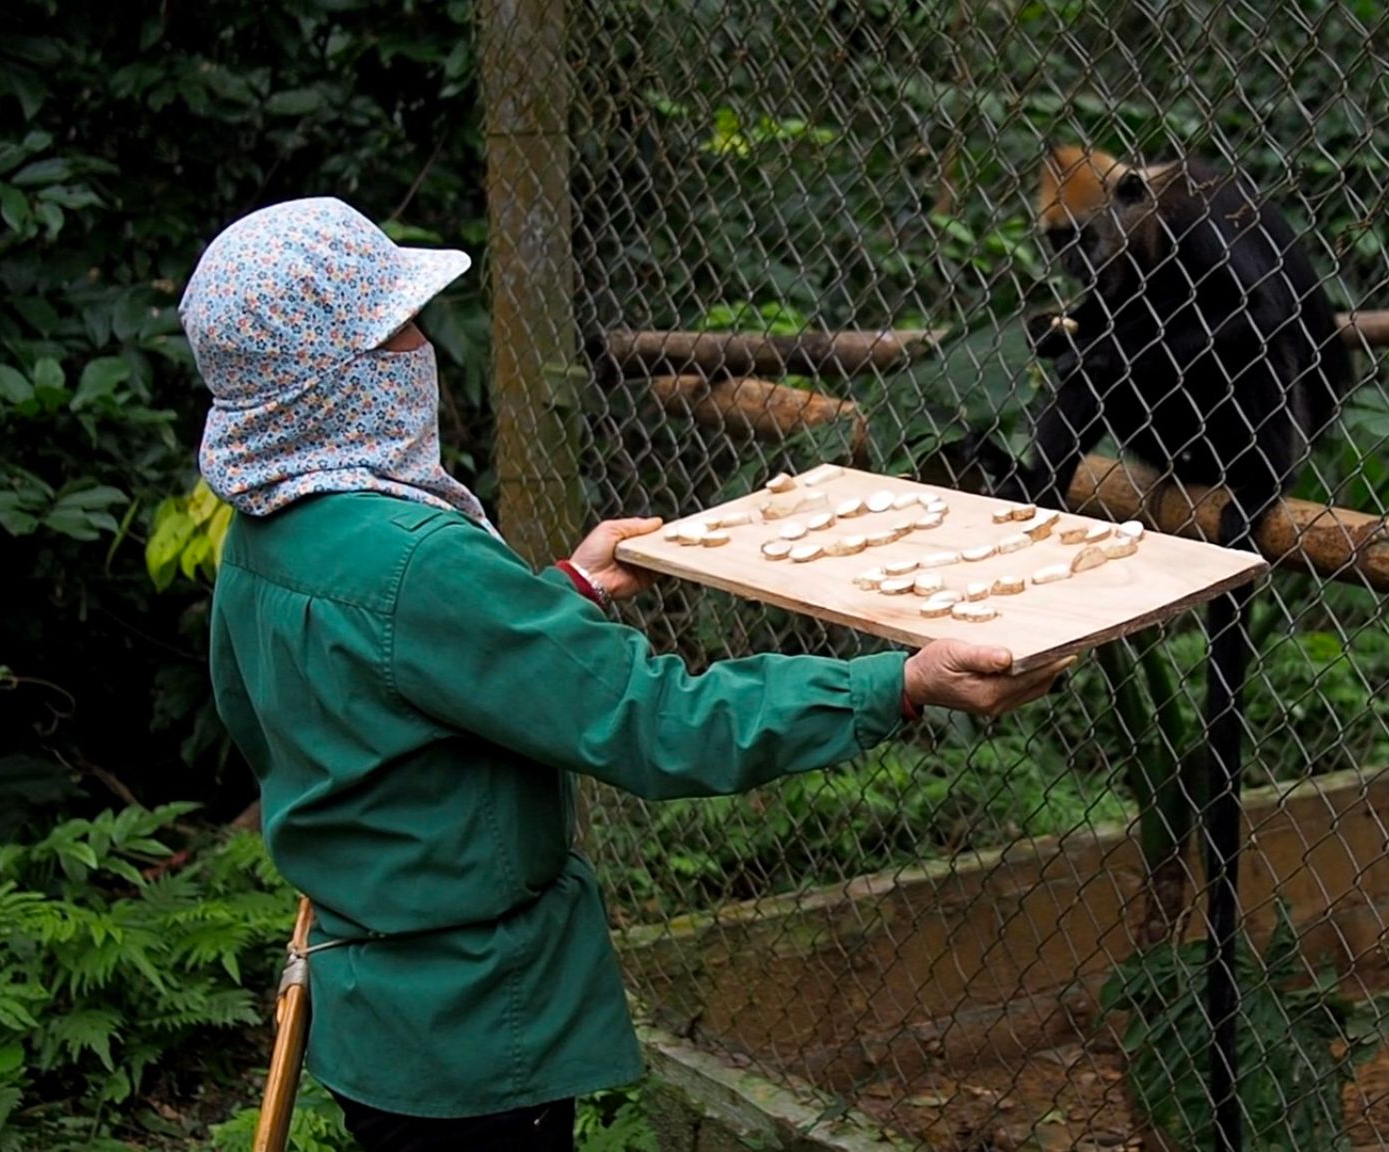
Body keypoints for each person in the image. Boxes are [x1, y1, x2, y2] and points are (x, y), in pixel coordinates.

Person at [179, 196, 1069, 1152]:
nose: (423, 346)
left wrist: (567, 587)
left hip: (375, 1010)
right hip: (475, 1027)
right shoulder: (416, 563)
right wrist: (896, 685)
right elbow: (658, 721)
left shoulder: (266, 533)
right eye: (397, 328)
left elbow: (392, 685)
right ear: (336, 374)